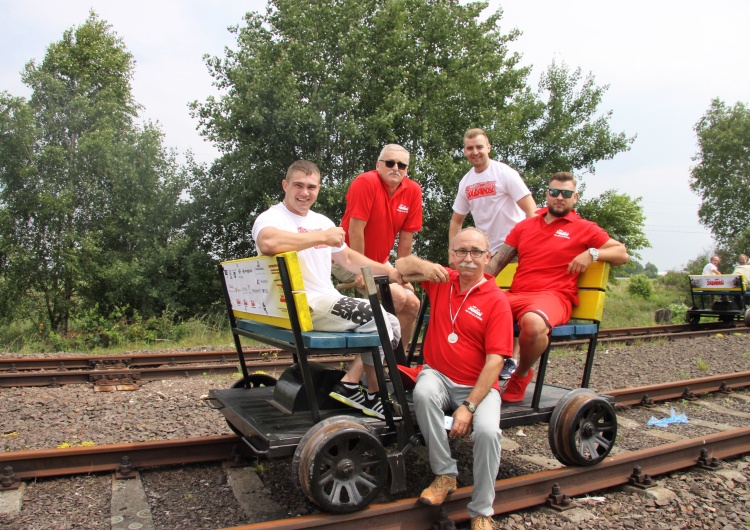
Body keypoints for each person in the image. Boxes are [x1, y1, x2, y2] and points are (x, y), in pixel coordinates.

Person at [252, 160, 404, 420]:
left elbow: (347, 259)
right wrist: (321, 237)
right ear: (285, 185)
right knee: (376, 317)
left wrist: (390, 272)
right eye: (298, 185)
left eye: (311, 187)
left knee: (392, 324)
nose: (304, 192)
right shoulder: (271, 217)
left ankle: (352, 385)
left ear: (319, 189)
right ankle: (370, 394)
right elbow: (268, 243)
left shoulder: (322, 220)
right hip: (301, 305)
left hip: (324, 300)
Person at [395, 227, 513, 530]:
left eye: (476, 252)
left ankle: (482, 510)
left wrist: (469, 407)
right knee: (422, 393)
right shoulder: (443, 281)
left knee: (488, 433)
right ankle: (445, 474)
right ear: (452, 255)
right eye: (461, 251)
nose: (468, 258)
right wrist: (425, 267)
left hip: (480, 386)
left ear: (488, 258)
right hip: (439, 374)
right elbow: (402, 265)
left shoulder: (496, 300)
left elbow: (495, 362)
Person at [487, 172, 629, 403]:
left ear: (575, 198)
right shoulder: (524, 226)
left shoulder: (585, 228)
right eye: (554, 192)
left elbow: (622, 253)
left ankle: (520, 375)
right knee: (471, 309)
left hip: (553, 298)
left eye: (566, 193)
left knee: (532, 323)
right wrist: (469, 286)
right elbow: (498, 261)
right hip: (517, 294)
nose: (559, 197)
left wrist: (593, 253)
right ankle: (460, 374)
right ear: (547, 195)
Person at [449, 127, 536, 381]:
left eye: (479, 146)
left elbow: (531, 211)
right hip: (485, 253)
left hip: (515, 247)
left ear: (488, 147)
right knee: (482, 301)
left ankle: (512, 359)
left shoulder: (504, 173)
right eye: (469, 148)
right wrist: (452, 255)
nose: (474, 152)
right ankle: (480, 355)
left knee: (513, 301)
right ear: (464, 151)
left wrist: (529, 247)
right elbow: (456, 221)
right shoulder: (466, 182)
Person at [333, 143, 422, 346]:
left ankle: (396, 366)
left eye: (402, 165)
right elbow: (356, 230)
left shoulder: (413, 191)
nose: (396, 168)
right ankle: (373, 362)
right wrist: (360, 271)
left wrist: (403, 273)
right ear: (378, 164)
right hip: (346, 258)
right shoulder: (365, 182)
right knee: (398, 297)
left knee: (413, 303)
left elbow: (406, 238)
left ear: (407, 169)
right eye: (390, 163)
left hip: (381, 263)